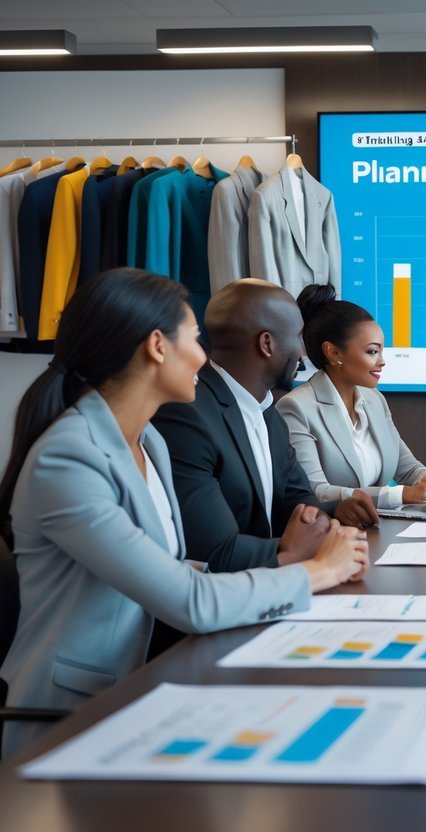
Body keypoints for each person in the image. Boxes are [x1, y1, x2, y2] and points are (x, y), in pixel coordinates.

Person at [0, 269, 368, 757]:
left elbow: (174, 570)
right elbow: (189, 600)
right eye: (195, 338)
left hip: (149, 690)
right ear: (157, 346)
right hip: (75, 720)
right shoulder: (68, 460)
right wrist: (317, 571)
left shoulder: (147, 441)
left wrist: (282, 565)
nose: (205, 354)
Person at [153, 279, 375, 573]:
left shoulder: (267, 408)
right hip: (229, 599)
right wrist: (295, 550)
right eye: (298, 337)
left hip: (275, 584)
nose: (303, 352)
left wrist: (333, 513)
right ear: (267, 344)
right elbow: (215, 551)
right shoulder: (187, 416)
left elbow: (297, 500)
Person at [277, 284, 426, 523]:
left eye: (381, 351)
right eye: (372, 352)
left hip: (378, 528)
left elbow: (407, 467)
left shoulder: (374, 400)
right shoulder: (296, 407)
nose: (382, 361)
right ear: (333, 353)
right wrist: (401, 494)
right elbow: (317, 491)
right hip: (332, 537)